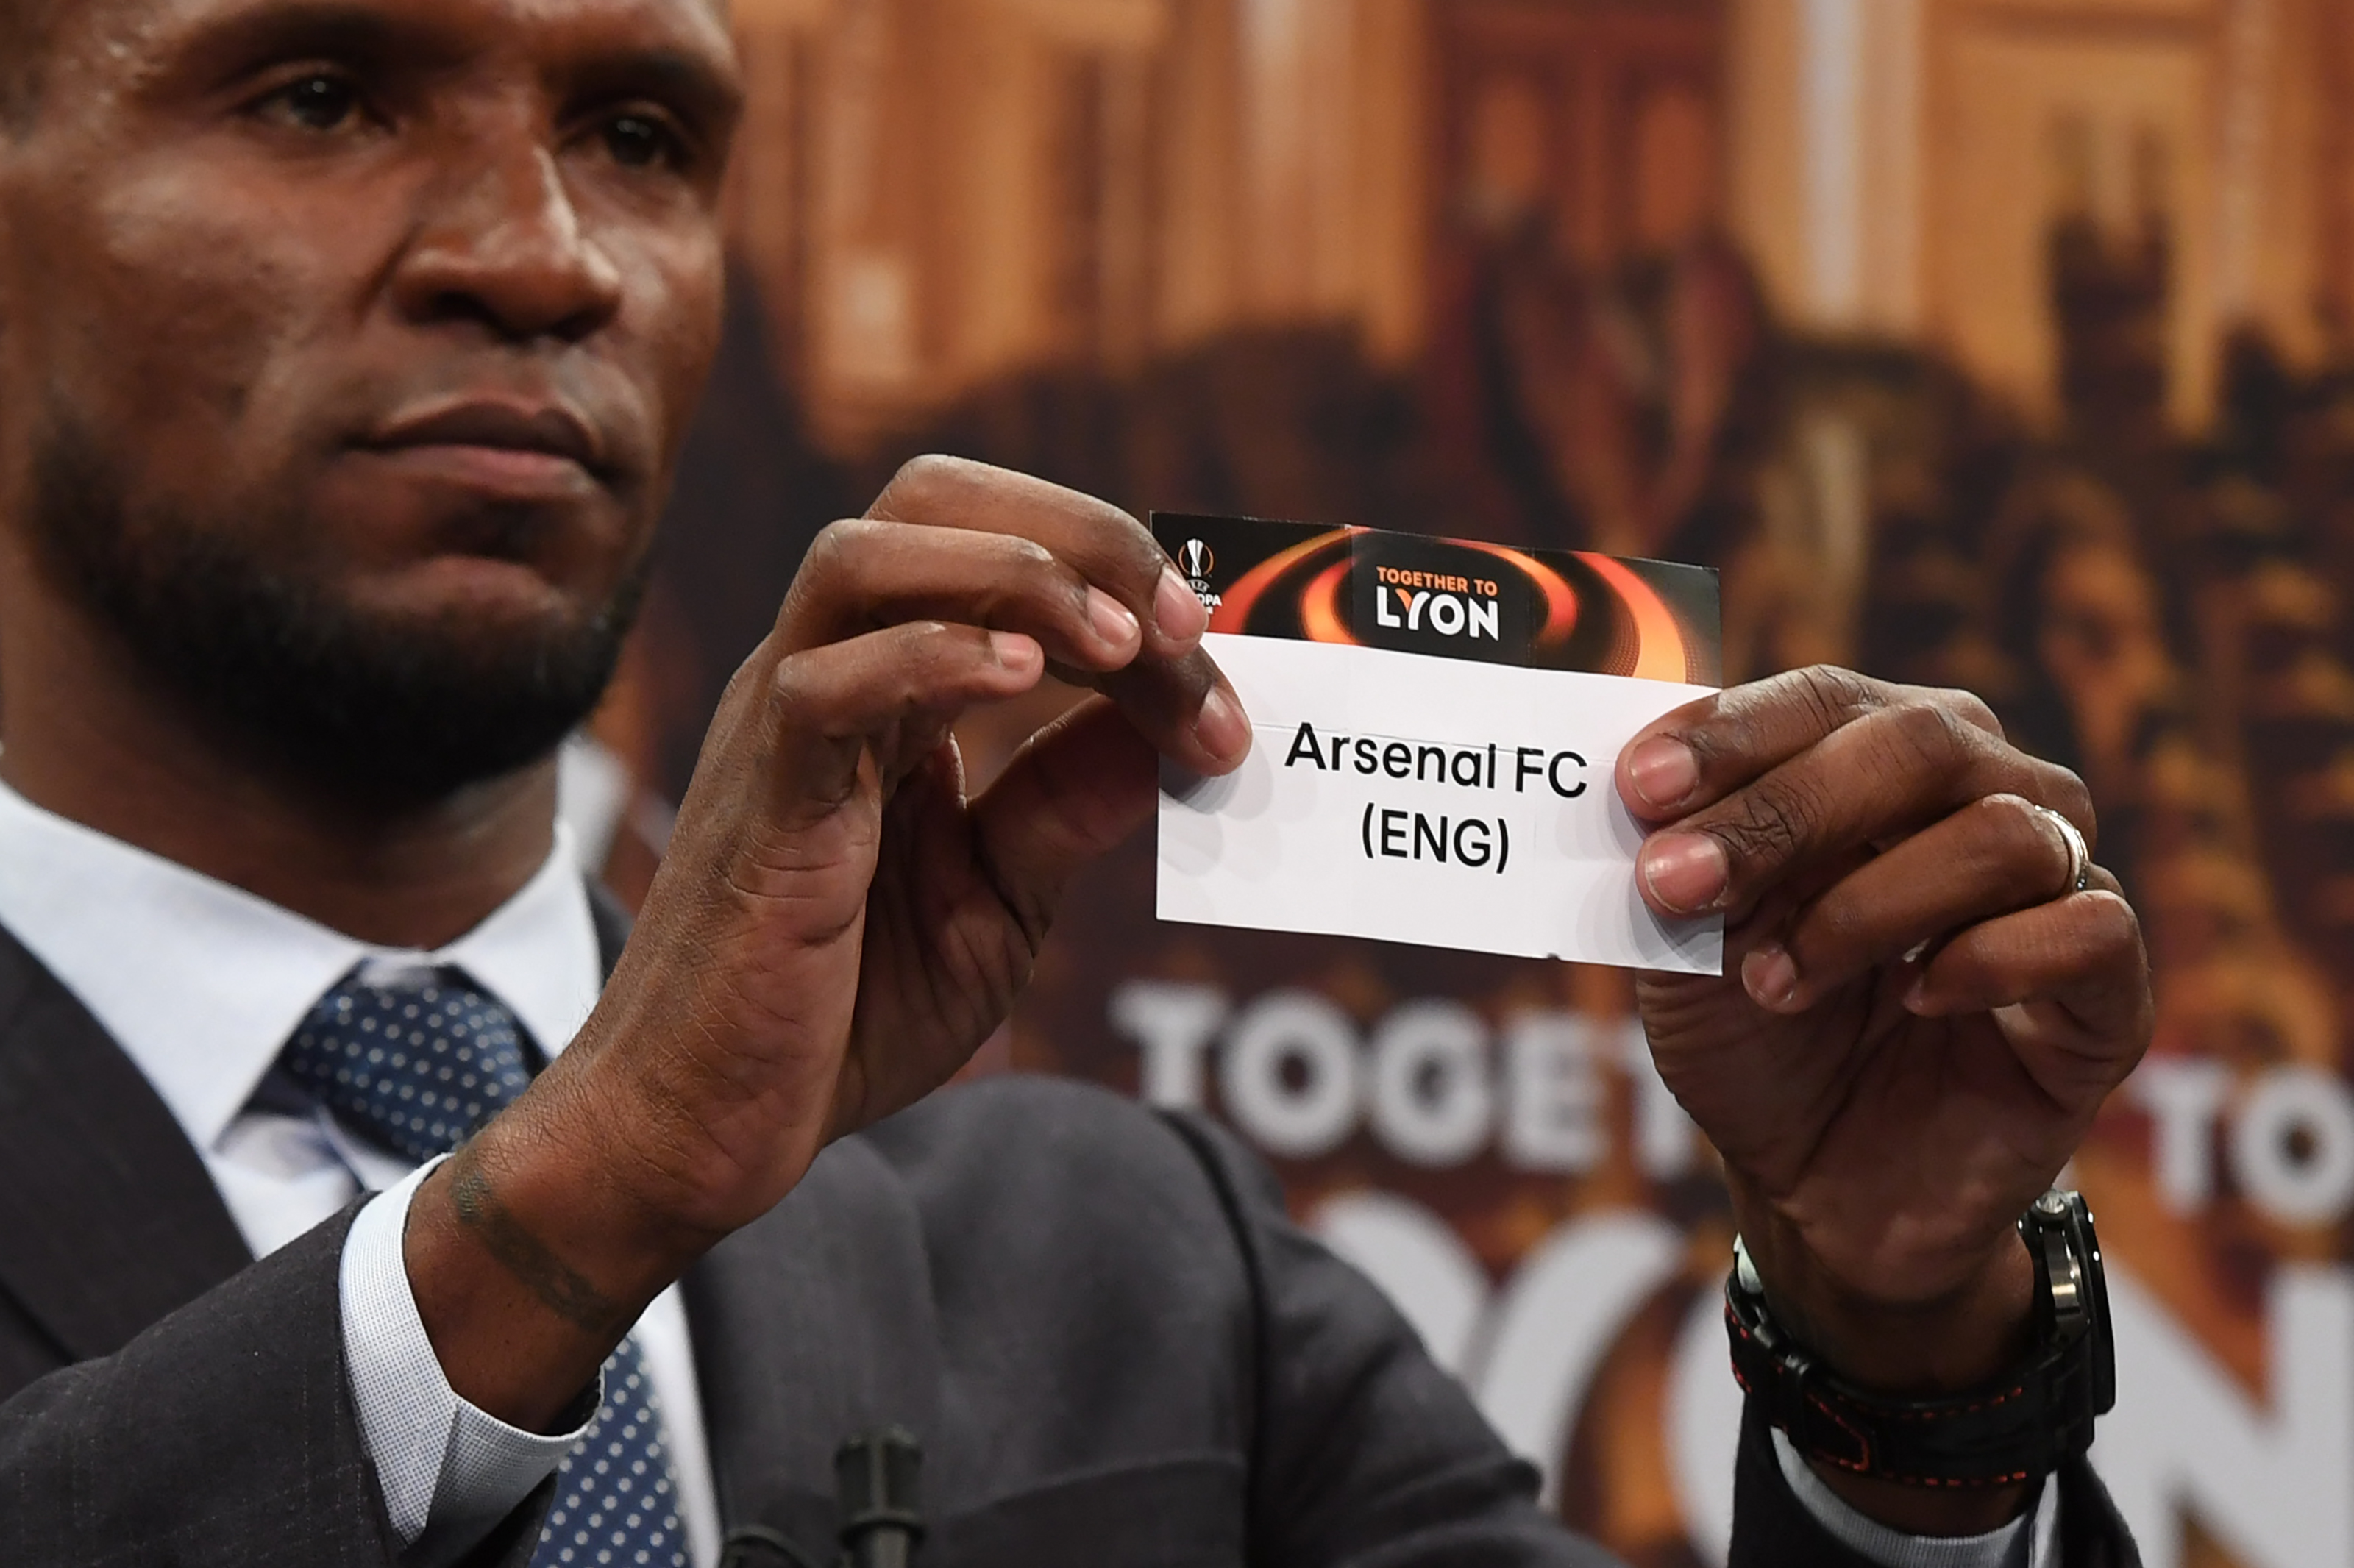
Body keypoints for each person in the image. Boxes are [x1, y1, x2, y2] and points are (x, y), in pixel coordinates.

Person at [0, 1, 2153, 1565]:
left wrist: (1905, 1358)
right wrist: (573, 1195)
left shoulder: (1137, 1272)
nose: (543, 250)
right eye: (319, 93)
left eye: (644, 132)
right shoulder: (652, 1167)